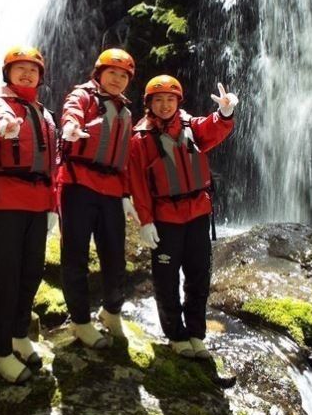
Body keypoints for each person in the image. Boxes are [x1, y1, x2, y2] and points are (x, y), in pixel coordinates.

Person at [128, 76, 238, 360]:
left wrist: (225, 112)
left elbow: (213, 129)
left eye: (170, 99)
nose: (165, 105)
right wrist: (146, 220)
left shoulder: (190, 126)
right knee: (166, 280)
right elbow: (138, 184)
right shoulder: (140, 139)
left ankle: (196, 334)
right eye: (158, 100)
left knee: (199, 277)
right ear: (149, 104)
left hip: (198, 214)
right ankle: (176, 335)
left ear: (178, 102)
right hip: (166, 218)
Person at [0, 45, 57, 384]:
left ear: (40, 77)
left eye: (33, 69)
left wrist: (54, 206)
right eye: (19, 68)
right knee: (7, 276)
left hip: (38, 204)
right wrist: (5, 124)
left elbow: (53, 165)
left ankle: (19, 334)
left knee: (32, 272)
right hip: (5, 201)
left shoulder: (45, 114)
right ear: (7, 73)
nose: (27, 74)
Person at [58, 48, 141, 348]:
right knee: (75, 256)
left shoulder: (126, 111)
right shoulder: (83, 97)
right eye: (112, 73)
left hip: (111, 191)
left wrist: (127, 195)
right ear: (99, 74)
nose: (117, 80)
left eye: (123, 76)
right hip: (78, 184)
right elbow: (72, 112)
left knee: (116, 257)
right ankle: (80, 322)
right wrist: (70, 127)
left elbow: (127, 158)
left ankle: (111, 311)